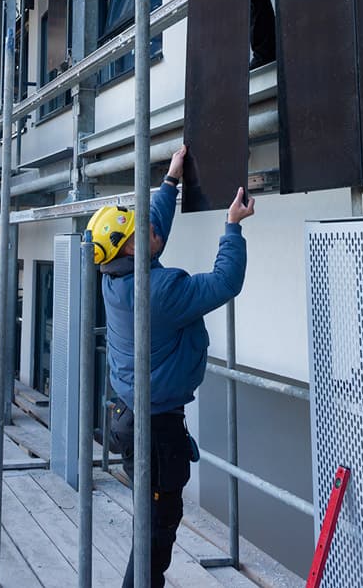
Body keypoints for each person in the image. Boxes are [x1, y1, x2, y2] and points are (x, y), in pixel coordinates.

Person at [85, 145, 254, 587]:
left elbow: (154, 226)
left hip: (134, 416)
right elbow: (224, 282)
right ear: (130, 249)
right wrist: (232, 228)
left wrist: (172, 179)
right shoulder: (159, 290)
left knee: (151, 523)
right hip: (156, 432)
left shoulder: (116, 275)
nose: (149, 228)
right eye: (139, 231)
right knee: (156, 533)